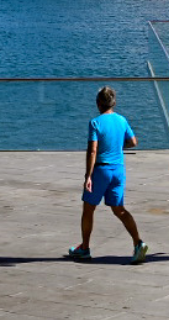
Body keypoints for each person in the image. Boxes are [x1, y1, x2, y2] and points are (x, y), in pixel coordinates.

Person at [70, 85, 148, 263]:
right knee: (119, 209)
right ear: (113, 103)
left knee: (88, 209)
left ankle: (85, 248)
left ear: (98, 103)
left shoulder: (95, 123)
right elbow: (133, 142)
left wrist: (88, 176)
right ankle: (138, 242)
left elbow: (93, 151)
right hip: (118, 170)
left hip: (101, 170)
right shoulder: (122, 120)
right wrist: (118, 146)